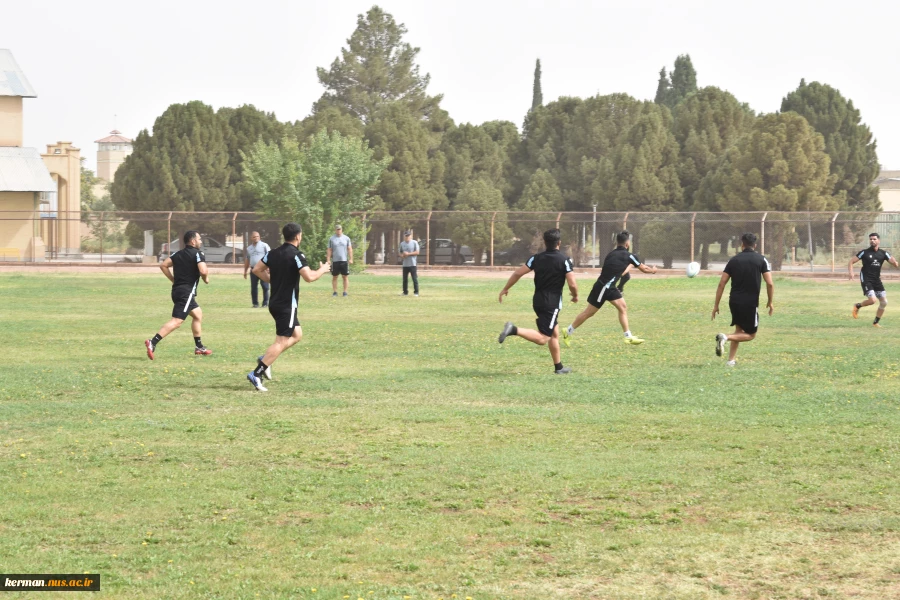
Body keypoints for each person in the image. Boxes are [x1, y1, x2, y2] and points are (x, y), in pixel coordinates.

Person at [246, 222, 330, 391]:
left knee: (297, 334)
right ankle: (257, 373)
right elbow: (309, 277)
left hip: (275, 303)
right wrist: (323, 269)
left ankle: (266, 358)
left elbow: (256, 269)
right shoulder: (297, 255)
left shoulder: (273, 253)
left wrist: (271, 280)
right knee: (281, 341)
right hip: (286, 305)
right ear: (298, 236)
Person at [497, 228, 578, 375]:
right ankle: (513, 329)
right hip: (551, 303)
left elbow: (517, 273)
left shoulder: (536, 258)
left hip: (538, 300)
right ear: (559, 243)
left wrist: (505, 288)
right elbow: (572, 283)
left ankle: (559, 367)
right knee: (543, 338)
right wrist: (575, 295)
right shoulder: (564, 260)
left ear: (545, 243)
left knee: (554, 332)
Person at [563, 231, 656, 346]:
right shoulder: (630, 256)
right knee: (589, 313)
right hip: (604, 288)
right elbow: (644, 269)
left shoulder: (611, 254)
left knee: (622, 307)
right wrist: (653, 270)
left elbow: (619, 273)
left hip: (608, 287)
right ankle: (568, 331)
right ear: (627, 244)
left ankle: (628, 336)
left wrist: (630, 266)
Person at [145, 230, 212, 359]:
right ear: (192, 241)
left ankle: (199, 347)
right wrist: (206, 279)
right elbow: (203, 271)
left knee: (198, 315)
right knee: (177, 321)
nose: (200, 241)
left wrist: (173, 280)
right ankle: (152, 342)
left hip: (177, 291)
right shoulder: (198, 254)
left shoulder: (178, 254)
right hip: (186, 293)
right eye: (199, 239)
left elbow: (164, 265)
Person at [712, 232, 774, 366]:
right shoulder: (761, 260)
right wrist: (770, 301)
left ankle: (731, 361)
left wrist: (716, 305)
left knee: (739, 331)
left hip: (734, 301)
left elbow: (722, 283)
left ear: (742, 245)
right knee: (751, 335)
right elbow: (770, 283)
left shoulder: (733, 260)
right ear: (755, 245)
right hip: (750, 303)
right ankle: (725, 337)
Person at [849, 232, 898, 327]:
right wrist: (851, 272)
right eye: (871, 239)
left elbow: (893, 261)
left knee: (884, 302)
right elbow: (851, 261)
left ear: (878, 241)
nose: (872, 241)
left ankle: (875, 322)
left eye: (874, 239)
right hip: (866, 279)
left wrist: (895, 263)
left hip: (876, 280)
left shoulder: (883, 253)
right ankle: (857, 306)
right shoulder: (864, 252)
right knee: (872, 300)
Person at [243, 231, 271, 307]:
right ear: (251, 238)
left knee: (265, 286)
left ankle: (265, 303)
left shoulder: (264, 246)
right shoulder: (249, 248)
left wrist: (269, 268)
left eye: (257, 236)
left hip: (263, 269)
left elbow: (270, 257)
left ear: (260, 237)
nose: (256, 238)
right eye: (254, 237)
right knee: (254, 287)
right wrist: (245, 271)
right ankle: (255, 304)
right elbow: (247, 260)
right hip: (253, 269)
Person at [327, 224, 353, 297]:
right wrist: (328, 259)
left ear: (342, 230)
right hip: (335, 261)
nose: (338, 231)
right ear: (335, 230)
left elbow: (349, 249)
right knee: (335, 276)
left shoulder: (346, 238)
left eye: (340, 229)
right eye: (337, 229)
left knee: (345, 276)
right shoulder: (331, 239)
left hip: (344, 260)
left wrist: (351, 258)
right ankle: (335, 292)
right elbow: (329, 249)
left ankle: (345, 292)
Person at [399, 230, 420, 296]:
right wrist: (403, 255)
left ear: (410, 236)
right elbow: (400, 252)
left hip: (412, 264)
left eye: (408, 236)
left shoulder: (414, 242)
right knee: (405, 279)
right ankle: (405, 292)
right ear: (404, 236)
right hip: (405, 264)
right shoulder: (402, 244)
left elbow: (417, 252)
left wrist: (408, 254)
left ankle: (416, 292)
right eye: (406, 236)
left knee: (414, 278)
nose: (407, 237)